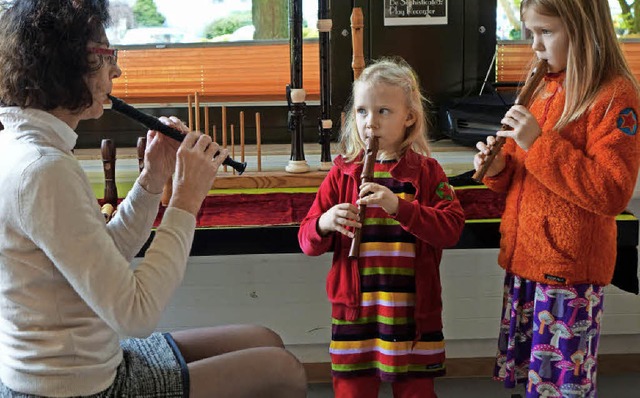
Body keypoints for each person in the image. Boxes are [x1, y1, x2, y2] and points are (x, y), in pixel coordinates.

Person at [0, 1, 307, 397]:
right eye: (107, 56)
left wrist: (152, 178)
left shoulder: (26, 147)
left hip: (83, 361)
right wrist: (186, 199)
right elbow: (136, 314)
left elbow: (105, 256)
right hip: (75, 385)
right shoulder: (43, 169)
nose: (117, 70)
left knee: (264, 337)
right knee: (284, 371)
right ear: (66, 62)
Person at [474, 1, 640, 397]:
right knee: (529, 384)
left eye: (545, 32)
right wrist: (497, 169)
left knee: (560, 388)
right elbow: (521, 173)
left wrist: (538, 143)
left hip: (568, 276)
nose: (534, 46)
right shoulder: (543, 87)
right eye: (530, 33)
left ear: (583, 30)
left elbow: (611, 192)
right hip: (526, 259)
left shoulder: (616, 95)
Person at [298, 58, 465, 398]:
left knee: (415, 391)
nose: (370, 122)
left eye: (383, 111)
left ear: (409, 118)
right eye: (362, 111)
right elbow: (306, 240)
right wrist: (326, 222)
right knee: (352, 391)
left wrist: (398, 207)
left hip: (412, 313)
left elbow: (451, 229)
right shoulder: (342, 173)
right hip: (356, 311)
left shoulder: (428, 172)